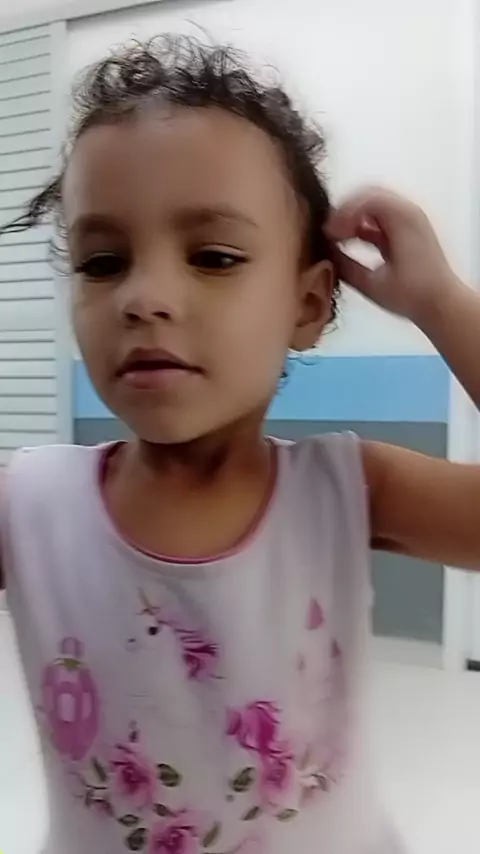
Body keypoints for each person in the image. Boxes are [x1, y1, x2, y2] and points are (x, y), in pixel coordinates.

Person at [1, 35, 479, 854]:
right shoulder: (28, 504)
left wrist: (440, 301)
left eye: (214, 257)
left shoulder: (348, 488)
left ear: (308, 305)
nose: (145, 296)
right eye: (103, 262)